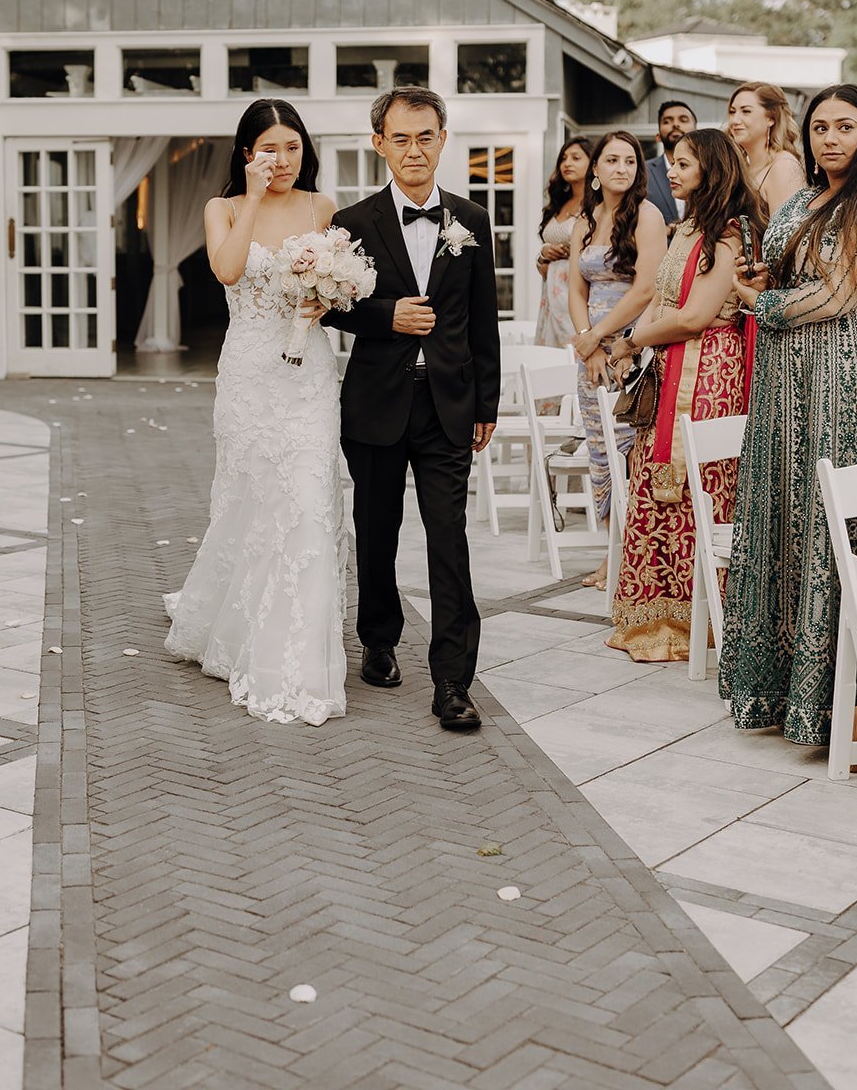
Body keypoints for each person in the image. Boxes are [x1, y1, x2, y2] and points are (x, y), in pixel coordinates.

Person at [720, 84, 857, 744]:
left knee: (838, 515)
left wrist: (762, 308)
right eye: (819, 127)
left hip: (852, 373)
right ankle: (791, 688)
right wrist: (763, 281)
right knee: (792, 508)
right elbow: (789, 270)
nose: (828, 138)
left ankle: (848, 694)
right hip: (787, 375)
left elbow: (847, 286)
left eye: (844, 126)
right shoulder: (801, 197)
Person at [163, 99, 347, 726]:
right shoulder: (224, 209)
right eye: (269, 148)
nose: (283, 160)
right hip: (249, 373)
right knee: (251, 498)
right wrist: (250, 197)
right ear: (247, 153)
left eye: (292, 148)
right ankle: (236, 627)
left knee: (308, 500)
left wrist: (330, 295)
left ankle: (296, 657)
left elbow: (338, 285)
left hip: (309, 376)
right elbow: (228, 269)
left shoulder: (322, 207)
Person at [324, 87, 501, 733]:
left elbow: (483, 318)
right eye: (399, 138)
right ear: (379, 144)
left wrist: (486, 401)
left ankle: (452, 682)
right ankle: (376, 639)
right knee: (375, 532)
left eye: (424, 136)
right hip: (374, 402)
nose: (413, 149)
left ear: (442, 139)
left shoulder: (471, 220)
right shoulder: (352, 222)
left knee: (448, 542)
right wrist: (384, 316)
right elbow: (332, 305)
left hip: (447, 405)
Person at [605, 131, 765, 660]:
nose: (670, 172)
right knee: (654, 474)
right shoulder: (687, 225)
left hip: (711, 372)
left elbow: (696, 316)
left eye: (683, 163)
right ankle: (658, 616)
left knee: (706, 482)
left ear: (713, 167)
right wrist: (632, 347)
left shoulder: (731, 233)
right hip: (671, 363)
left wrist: (632, 340)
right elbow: (661, 298)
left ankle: (707, 621)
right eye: (671, 163)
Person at [568, 132, 667, 589]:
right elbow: (576, 288)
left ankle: (634, 556)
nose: (622, 168)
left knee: (629, 450)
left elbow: (647, 288)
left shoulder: (647, 215)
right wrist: (586, 341)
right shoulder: (585, 220)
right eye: (612, 159)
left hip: (632, 347)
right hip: (592, 351)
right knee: (600, 451)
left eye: (630, 160)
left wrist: (605, 340)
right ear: (596, 170)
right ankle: (611, 553)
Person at [535, 136, 591, 347]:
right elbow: (544, 263)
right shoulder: (560, 202)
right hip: (551, 293)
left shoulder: (596, 205)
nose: (567, 163)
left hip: (577, 292)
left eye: (576, 158)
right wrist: (544, 255)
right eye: (564, 158)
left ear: (592, 163)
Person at [727, 82, 805, 215]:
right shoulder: (739, 166)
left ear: (771, 118)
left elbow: (785, 234)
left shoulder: (784, 166)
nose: (735, 120)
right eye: (732, 112)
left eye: (746, 111)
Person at [646, 102, 697, 230]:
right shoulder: (642, 171)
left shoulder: (711, 170)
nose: (675, 124)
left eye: (683, 120)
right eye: (667, 121)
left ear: (697, 131)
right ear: (657, 136)